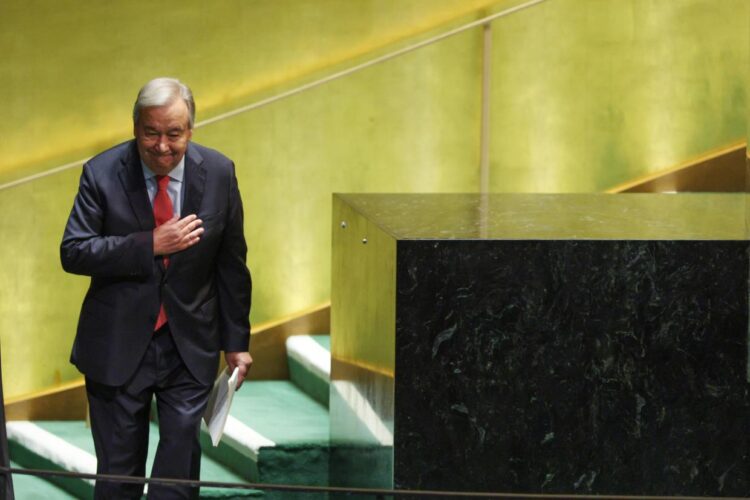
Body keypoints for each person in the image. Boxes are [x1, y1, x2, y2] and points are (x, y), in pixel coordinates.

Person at [60, 77, 253, 499]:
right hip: (118, 346)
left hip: (190, 346)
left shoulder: (219, 172)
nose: (162, 146)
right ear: (135, 128)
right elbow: (74, 251)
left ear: (191, 130)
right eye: (151, 133)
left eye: (174, 134)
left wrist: (236, 341)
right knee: (119, 475)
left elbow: (231, 264)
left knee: (179, 475)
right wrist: (149, 243)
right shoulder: (102, 172)